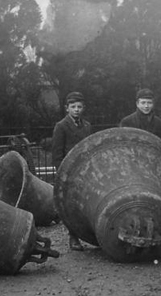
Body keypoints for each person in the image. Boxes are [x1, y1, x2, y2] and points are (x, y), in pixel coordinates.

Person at [52, 91, 92, 251]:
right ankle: (73, 237)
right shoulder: (61, 126)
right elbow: (57, 154)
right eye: (73, 107)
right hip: (68, 173)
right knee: (71, 206)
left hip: (85, 171)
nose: (76, 110)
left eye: (79, 107)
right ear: (67, 108)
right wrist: (62, 174)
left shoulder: (87, 126)